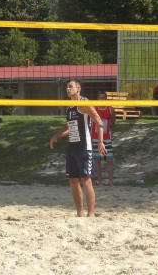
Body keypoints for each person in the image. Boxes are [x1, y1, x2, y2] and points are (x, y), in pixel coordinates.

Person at [49, 79, 106, 217]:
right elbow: (68, 127)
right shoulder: (69, 108)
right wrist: (56, 136)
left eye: (71, 87)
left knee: (86, 180)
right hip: (72, 147)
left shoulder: (84, 103)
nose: (68, 89)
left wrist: (100, 142)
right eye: (67, 87)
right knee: (73, 180)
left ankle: (91, 214)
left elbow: (98, 121)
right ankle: (80, 213)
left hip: (84, 148)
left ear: (78, 89)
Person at [92, 91, 115, 186]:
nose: (102, 99)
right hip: (95, 138)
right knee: (97, 160)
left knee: (109, 160)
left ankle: (110, 183)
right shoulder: (93, 109)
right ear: (97, 99)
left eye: (104, 98)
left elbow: (113, 123)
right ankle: (100, 182)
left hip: (106, 138)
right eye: (100, 97)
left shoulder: (110, 109)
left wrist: (106, 129)